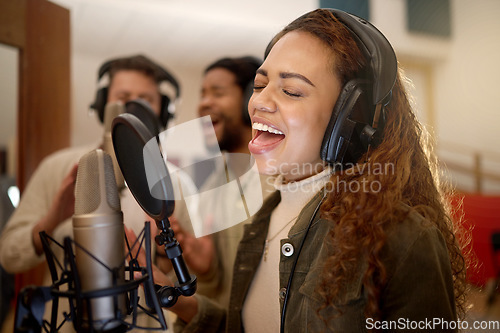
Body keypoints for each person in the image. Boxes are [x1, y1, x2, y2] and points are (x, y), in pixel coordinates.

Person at [138, 8, 468, 332]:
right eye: (260, 84)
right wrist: (171, 294)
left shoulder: (404, 237)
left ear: (350, 118)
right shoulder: (264, 218)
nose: (259, 103)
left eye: (291, 91)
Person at [0, 54, 184, 332]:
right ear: (101, 105)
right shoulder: (57, 168)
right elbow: (9, 257)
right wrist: (51, 220)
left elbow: (190, 278)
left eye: (144, 99)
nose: (132, 106)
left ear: (161, 111)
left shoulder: (176, 182)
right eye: (123, 96)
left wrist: (162, 257)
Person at [163, 56, 273, 313]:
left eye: (218, 93)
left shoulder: (284, 178)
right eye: (202, 94)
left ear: (251, 99)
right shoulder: (211, 187)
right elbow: (219, 294)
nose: (204, 103)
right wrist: (206, 271)